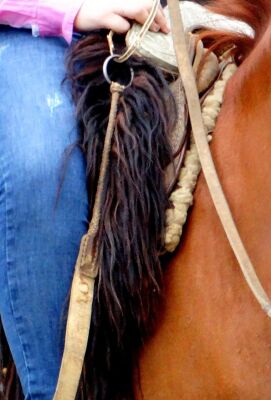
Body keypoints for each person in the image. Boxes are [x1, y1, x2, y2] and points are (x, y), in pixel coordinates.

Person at [0, 1, 169, 398]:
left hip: (158, 15)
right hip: (29, 27)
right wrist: (71, 10)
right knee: (38, 167)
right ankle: (54, 388)